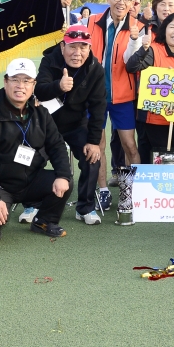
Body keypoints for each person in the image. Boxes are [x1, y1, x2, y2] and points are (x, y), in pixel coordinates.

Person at [0, 58, 73, 240]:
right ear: (5, 81)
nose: (21, 86)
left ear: (33, 85)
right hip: (1, 184)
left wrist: (63, 176)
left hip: (31, 179)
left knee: (65, 181)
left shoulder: (41, 113)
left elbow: (57, 145)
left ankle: (44, 221)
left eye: (26, 81)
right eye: (15, 79)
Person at [35, 25, 107, 225]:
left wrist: (93, 142)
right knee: (30, 159)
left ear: (89, 48)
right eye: (72, 47)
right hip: (46, 124)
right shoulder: (49, 61)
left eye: (83, 47)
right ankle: (32, 204)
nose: (78, 53)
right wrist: (58, 86)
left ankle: (85, 207)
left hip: (75, 124)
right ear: (62, 46)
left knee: (92, 158)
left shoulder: (95, 68)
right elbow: (39, 90)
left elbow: (98, 106)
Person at [85, 0, 143, 195]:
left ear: (132, 3)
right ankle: (102, 191)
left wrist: (135, 40)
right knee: (97, 144)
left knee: (130, 145)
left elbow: (131, 62)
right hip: (95, 97)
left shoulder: (138, 27)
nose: (122, 2)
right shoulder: (89, 22)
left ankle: (133, 191)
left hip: (123, 97)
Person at [126, 14, 174, 160]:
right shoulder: (153, 49)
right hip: (154, 120)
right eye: (171, 27)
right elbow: (132, 67)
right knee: (153, 158)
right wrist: (143, 49)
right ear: (164, 30)